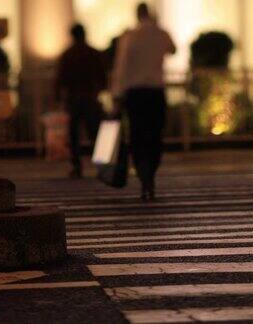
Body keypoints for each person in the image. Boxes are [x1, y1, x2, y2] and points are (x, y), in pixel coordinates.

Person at [112, 3, 176, 201]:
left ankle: (143, 175)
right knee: (155, 134)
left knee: (137, 135)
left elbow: (121, 68)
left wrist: (117, 95)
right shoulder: (161, 33)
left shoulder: (129, 37)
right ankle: (152, 174)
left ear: (137, 15)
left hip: (135, 93)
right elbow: (173, 49)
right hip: (156, 91)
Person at [54, 23, 106, 179]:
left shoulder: (67, 55)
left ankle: (76, 166)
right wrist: (99, 91)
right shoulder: (93, 53)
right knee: (94, 133)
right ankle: (101, 166)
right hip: (90, 96)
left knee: (74, 134)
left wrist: (57, 98)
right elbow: (102, 76)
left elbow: (60, 78)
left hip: (74, 97)